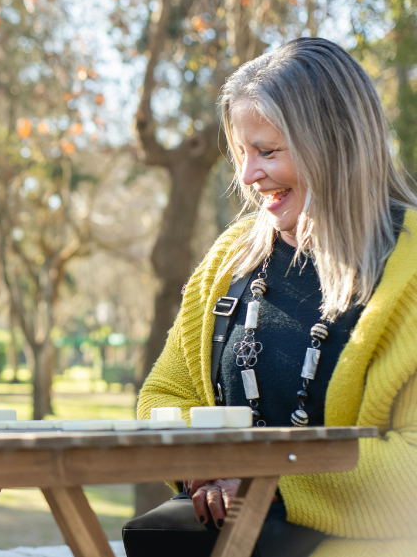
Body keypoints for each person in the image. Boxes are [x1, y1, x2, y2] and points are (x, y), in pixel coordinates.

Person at [134, 37, 417, 556]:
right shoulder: (229, 258)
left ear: (334, 144)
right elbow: (164, 397)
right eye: (242, 153)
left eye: (267, 152)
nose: (248, 175)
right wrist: (202, 465)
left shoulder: (410, 269)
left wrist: (264, 483)